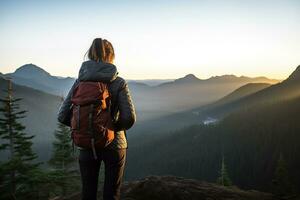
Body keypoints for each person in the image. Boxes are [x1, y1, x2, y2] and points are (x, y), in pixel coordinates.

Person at [57, 38, 136, 200]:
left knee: (88, 193)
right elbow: (129, 118)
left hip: (86, 144)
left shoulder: (80, 82)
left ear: (91, 54)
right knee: (111, 194)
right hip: (115, 145)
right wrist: (110, 129)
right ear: (111, 56)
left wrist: (83, 127)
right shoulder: (118, 82)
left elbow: (62, 115)